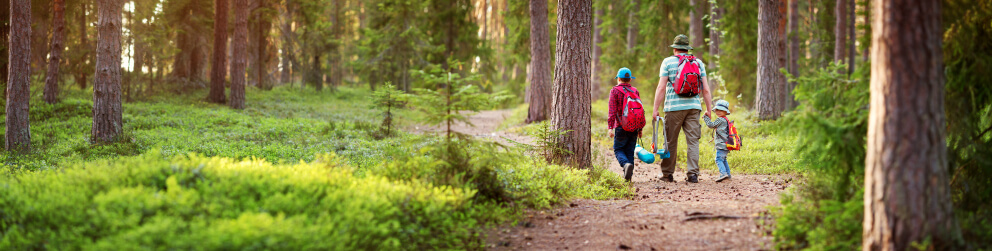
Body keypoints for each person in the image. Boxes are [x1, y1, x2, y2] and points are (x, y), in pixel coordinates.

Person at [652, 34, 714, 183]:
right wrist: (708, 109)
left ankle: (667, 174)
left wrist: (655, 109)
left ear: (675, 49)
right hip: (694, 107)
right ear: (687, 49)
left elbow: (661, 87)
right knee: (693, 141)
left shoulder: (667, 62)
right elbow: (705, 89)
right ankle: (693, 174)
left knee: (670, 141)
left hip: (673, 108)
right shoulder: (698, 63)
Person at [608, 68, 644, 182]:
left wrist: (610, 127)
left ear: (618, 79)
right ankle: (628, 178)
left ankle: (625, 165)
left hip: (620, 126)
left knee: (618, 149)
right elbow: (639, 111)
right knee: (629, 150)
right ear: (630, 80)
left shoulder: (614, 91)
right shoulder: (635, 91)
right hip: (634, 126)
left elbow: (612, 111)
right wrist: (640, 128)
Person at [704, 100, 733, 182]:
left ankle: (723, 174)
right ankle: (728, 175)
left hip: (721, 144)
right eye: (717, 110)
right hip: (726, 144)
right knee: (723, 159)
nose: (719, 112)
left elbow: (711, 125)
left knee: (718, 159)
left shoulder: (720, 120)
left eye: (721, 110)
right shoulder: (726, 120)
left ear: (725, 111)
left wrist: (706, 117)